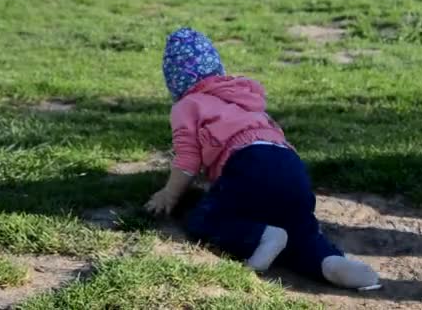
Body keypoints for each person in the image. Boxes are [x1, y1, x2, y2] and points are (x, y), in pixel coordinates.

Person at [145, 27, 379, 289]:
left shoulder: (187, 104)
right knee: (301, 233)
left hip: (248, 164)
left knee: (205, 218)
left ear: (175, 82)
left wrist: (170, 194)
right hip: (290, 165)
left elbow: (188, 160)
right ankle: (330, 262)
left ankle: (262, 237)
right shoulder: (242, 97)